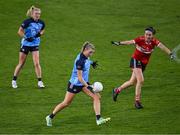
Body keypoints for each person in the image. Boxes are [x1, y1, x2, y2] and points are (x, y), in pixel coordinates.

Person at [46, 42, 110, 126]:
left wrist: (92, 63)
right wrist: (88, 86)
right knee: (66, 103)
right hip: (75, 84)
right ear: (85, 50)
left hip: (83, 83)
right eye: (90, 52)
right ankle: (50, 117)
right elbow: (79, 77)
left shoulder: (85, 57)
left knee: (97, 97)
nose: (91, 54)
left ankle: (98, 119)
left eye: (92, 53)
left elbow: (86, 61)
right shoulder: (80, 61)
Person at [111, 27, 175, 109]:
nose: (147, 36)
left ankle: (117, 90)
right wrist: (119, 43)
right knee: (140, 80)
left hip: (143, 64)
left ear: (152, 35)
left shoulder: (154, 41)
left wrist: (170, 53)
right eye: (146, 34)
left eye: (149, 35)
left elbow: (162, 46)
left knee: (132, 82)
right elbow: (130, 42)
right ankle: (137, 102)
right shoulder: (140, 39)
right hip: (135, 60)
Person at [11, 5, 45, 88]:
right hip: (26, 44)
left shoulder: (41, 22)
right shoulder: (27, 22)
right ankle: (14, 80)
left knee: (37, 63)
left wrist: (39, 34)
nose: (38, 15)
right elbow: (19, 31)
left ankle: (40, 82)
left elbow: (43, 29)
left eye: (39, 14)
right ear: (32, 14)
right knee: (21, 63)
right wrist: (26, 37)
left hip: (35, 45)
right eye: (36, 13)